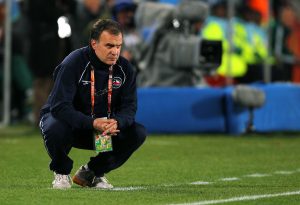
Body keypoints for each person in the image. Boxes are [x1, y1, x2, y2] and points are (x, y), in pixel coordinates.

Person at [39, 19, 147, 189]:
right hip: (70, 125)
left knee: (137, 132)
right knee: (54, 126)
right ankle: (61, 172)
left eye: (119, 46)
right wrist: (91, 122)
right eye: (109, 46)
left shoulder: (125, 69)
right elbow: (60, 106)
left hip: (101, 128)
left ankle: (92, 172)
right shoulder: (73, 63)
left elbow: (129, 108)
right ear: (94, 44)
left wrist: (117, 122)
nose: (115, 52)